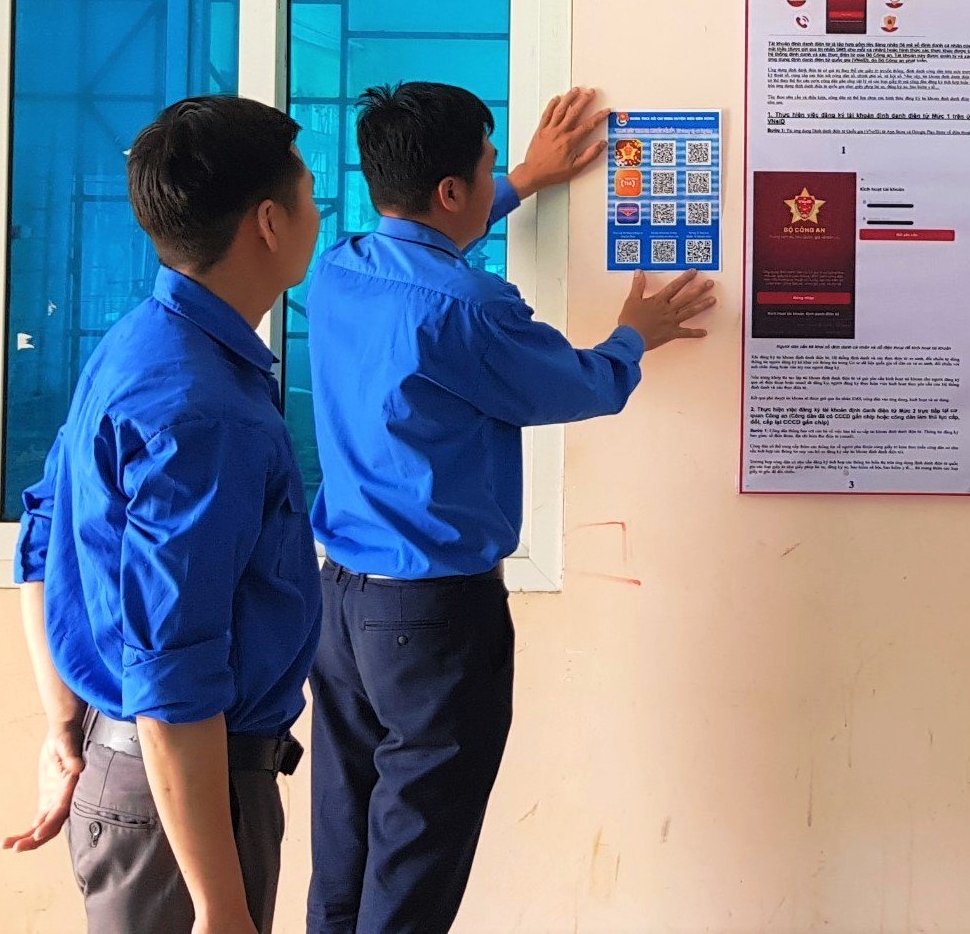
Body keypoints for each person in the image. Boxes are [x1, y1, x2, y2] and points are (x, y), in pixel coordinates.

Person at [304, 83, 716, 934]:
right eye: (488, 165)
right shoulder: (469, 307)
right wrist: (633, 334)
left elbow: (427, 248)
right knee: (415, 859)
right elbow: (581, 385)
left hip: (340, 604)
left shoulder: (339, 267)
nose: (498, 171)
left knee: (346, 840)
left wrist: (524, 178)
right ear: (451, 189)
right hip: (432, 620)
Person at [4, 96, 325, 934]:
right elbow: (174, 673)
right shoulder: (204, 410)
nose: (318, 214)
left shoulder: (141, 344)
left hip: (136, 772)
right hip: (185, 802)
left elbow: (42, 534)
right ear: (268, 223)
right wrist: (218, 902)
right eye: (308, 195)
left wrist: (65, 725)